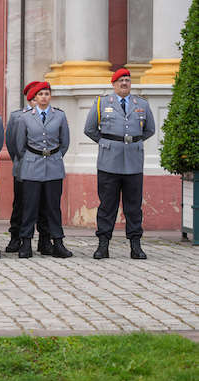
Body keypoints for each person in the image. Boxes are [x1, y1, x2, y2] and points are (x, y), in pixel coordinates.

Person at [83, 68, 156, 259]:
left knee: (133, 206)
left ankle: (135, 246)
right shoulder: (101, 103)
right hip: (109, 162)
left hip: (133, 162)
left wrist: (131, 143)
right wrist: (108, 143)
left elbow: (149, 130)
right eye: (120, 80)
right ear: (113, 84)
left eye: (127, 80)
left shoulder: (141, 104)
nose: (124, 83)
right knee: (107, 206)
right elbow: (90, 129)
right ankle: (103, 245)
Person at [15, 81, 71, 258]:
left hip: (53, 165)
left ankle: (58, 242)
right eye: (40, 94)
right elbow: (19, 145)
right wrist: (34, 156)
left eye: (46, 93)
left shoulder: (59, 116)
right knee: (30, 207)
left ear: (50, 96)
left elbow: (65, 142)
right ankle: (25, 242)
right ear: (35, 98)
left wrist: (53, 155)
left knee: (53, 207)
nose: (44, 97)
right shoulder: (25, 117)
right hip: (32, 165)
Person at [5, 81, 51, 253]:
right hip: (23, 167)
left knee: (45, 205)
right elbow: (12, 143)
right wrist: (21, 160)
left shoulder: (51, 114)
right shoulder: (18, 116)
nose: (36, 101)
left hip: (45, 167)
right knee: (21, 205)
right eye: (33, 98)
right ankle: (16, 238)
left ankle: (45, 239)